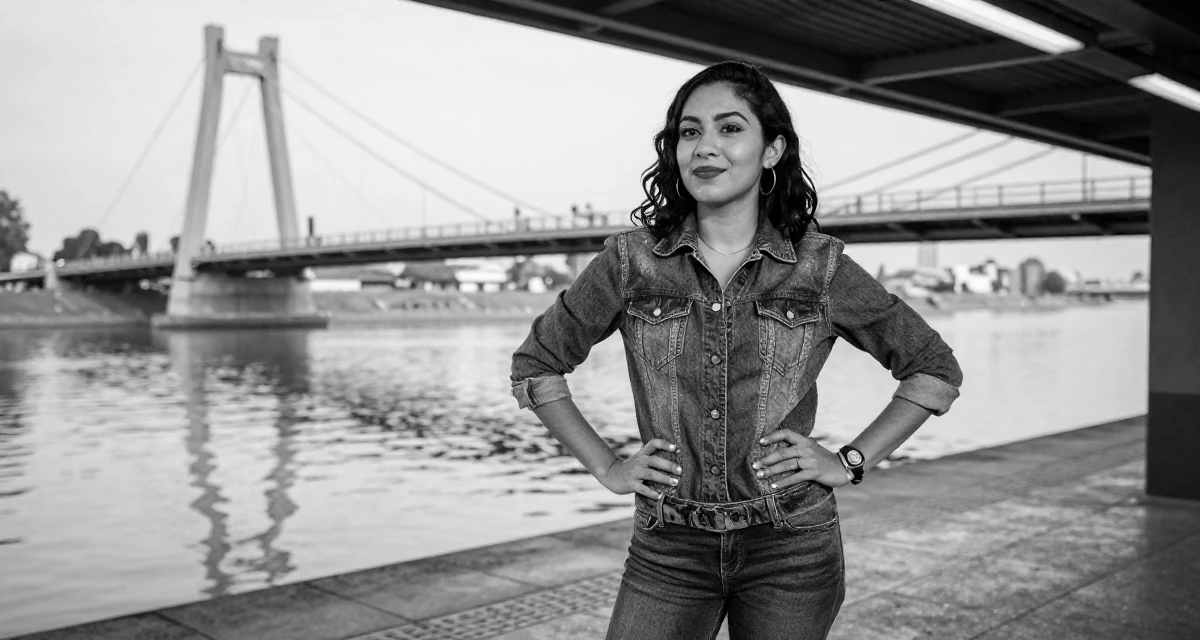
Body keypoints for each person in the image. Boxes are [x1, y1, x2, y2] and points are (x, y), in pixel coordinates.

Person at [508, 61, 963, 640]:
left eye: (729, 129)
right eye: (689, 132)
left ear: (771, 151)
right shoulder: (631, 262)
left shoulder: (818, 268)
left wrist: (848, 462)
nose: (705, 147)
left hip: (791, 546)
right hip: (669, 545)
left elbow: (933, 368)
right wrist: (607, 466)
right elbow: (536, 364)